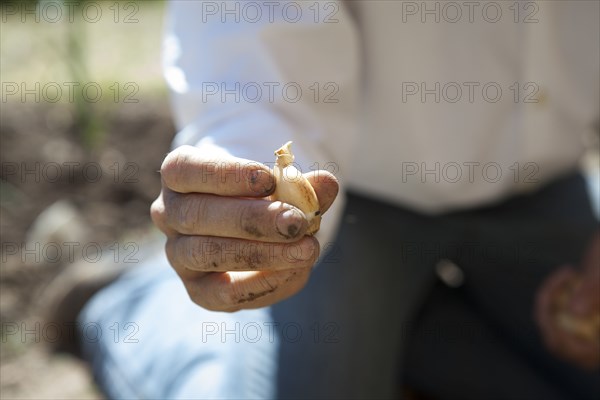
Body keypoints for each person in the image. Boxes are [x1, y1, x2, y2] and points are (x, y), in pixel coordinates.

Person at [60, 1, 599, 399]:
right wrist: (246, 200)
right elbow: (255, 52)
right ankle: (135, 309)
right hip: (355, 201)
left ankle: (401, 325)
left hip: (542, 182)